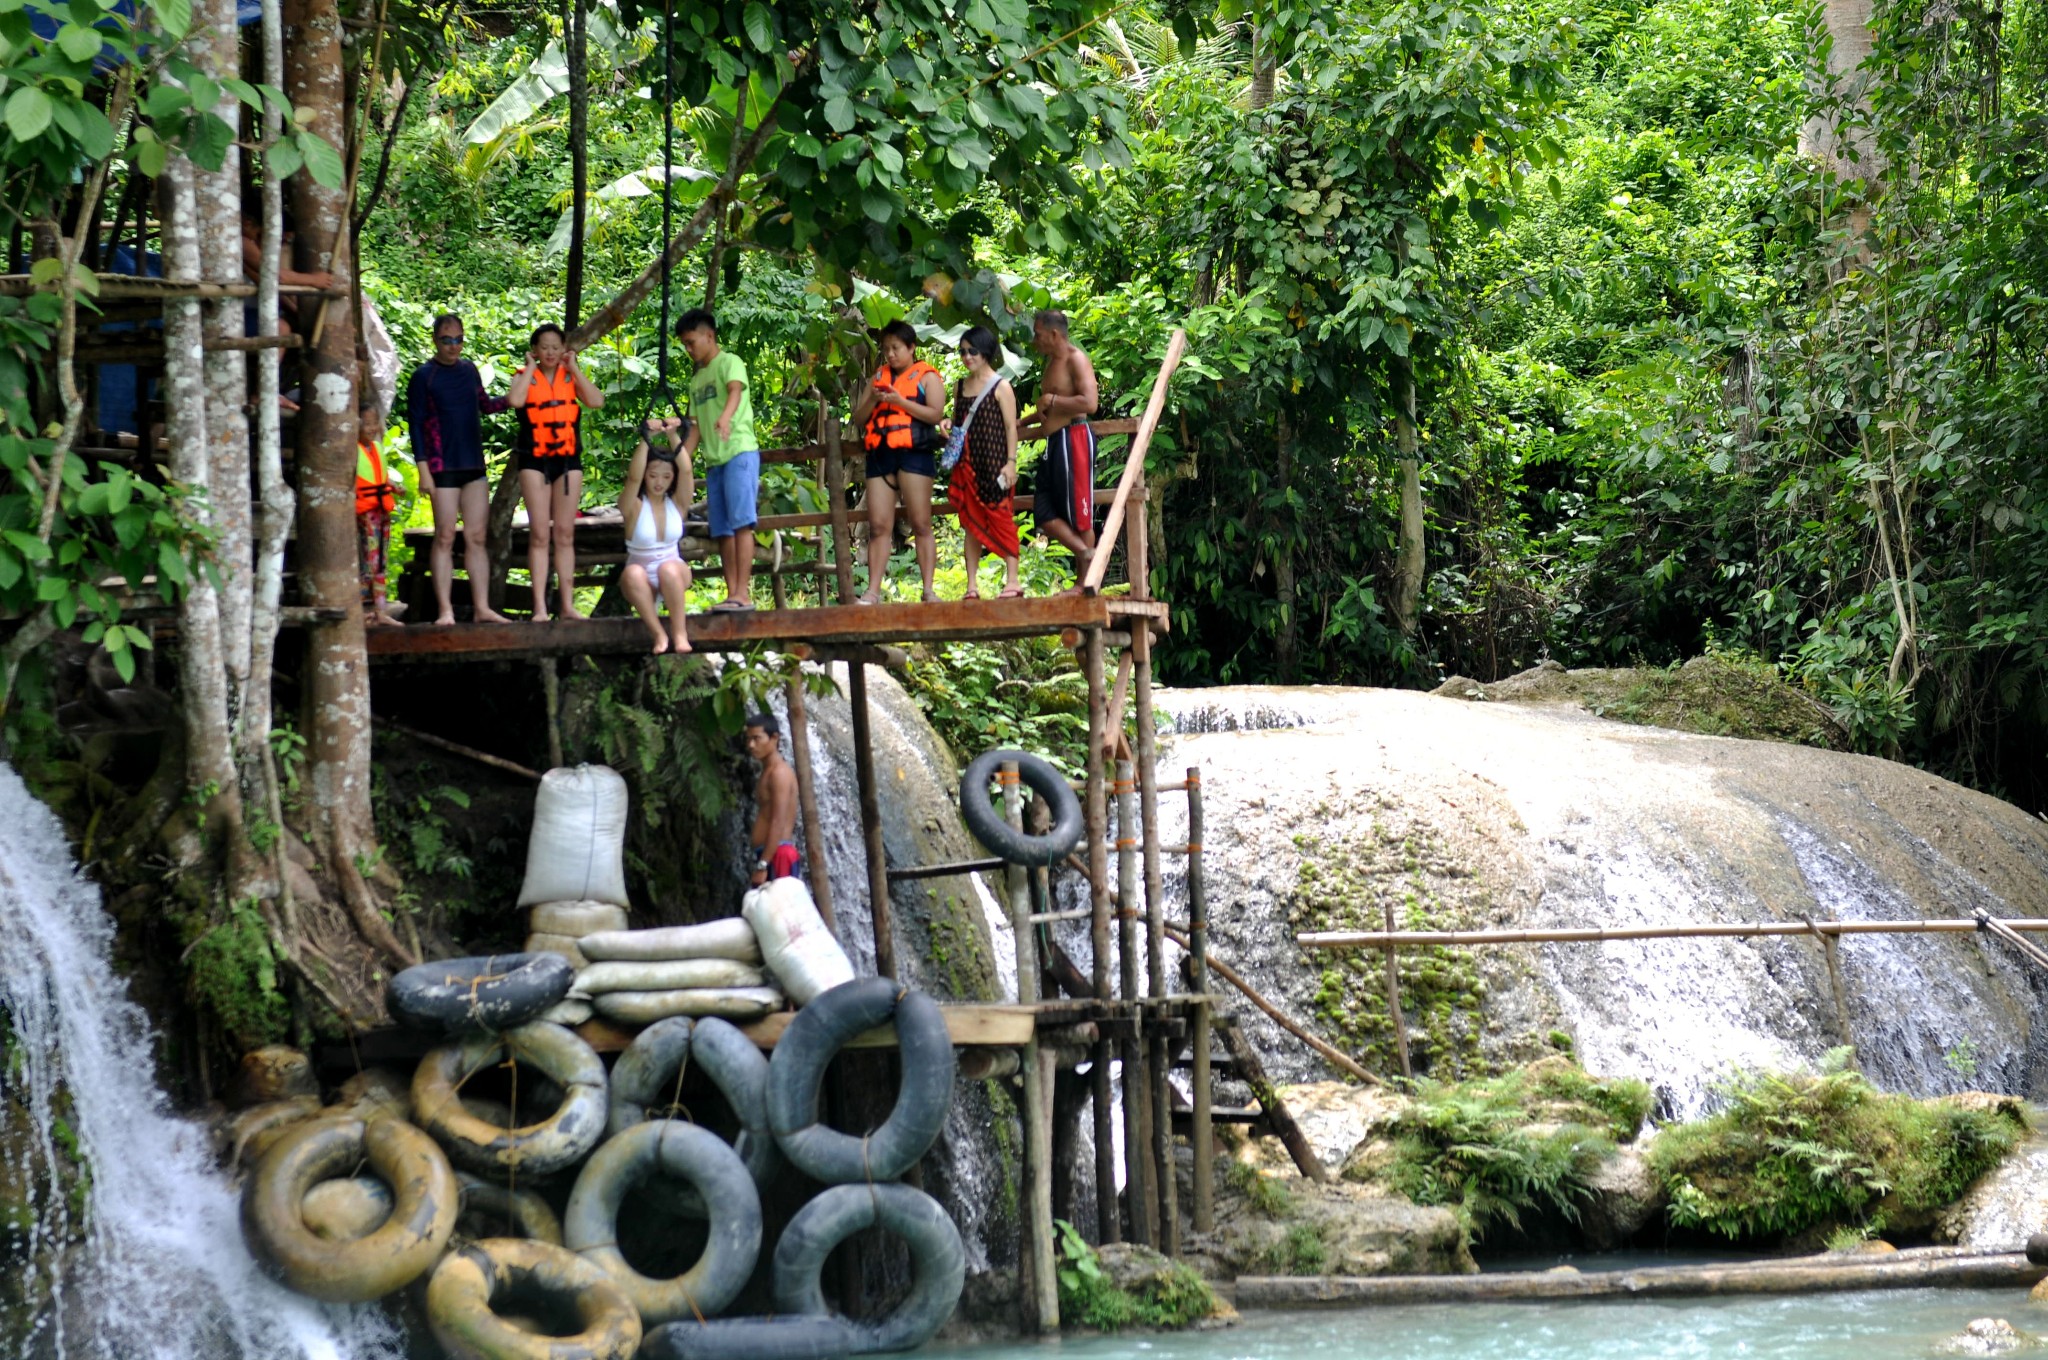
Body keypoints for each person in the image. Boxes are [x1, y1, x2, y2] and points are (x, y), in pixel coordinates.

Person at [407, 312, 512, 624]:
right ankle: (445, 611)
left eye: (458, 340)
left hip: (472, 463)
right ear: (435, 341)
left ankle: (482, 608)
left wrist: (514, 396)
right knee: (445, 536)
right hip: (442, 465)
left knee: (477, 536)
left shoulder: (469, 370)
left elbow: (486, 404)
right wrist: (424, 469)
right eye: (446, 340)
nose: (453, 346)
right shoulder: (424, 376)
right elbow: (415, 425)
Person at [509, 323, 604, 622]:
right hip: (534, 460)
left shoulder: (568, 376)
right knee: (540, 534)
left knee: (564, 533)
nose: (550, 352)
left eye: (555, 347)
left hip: (566, 461)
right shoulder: (523, 377)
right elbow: (515, 401)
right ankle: (539, 607)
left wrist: (574, 369)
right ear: (535, 351)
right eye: (544, 347)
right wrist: (527, 368)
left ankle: (567, 606)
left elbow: (596, 401)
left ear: (563, 349)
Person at [850, 319, 945, 605]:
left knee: (920, 522)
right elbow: (859, 418)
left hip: (914, 454)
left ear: (911, 347)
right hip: (881, 456)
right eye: (886, 349)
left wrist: (899, 401)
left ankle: (928, 590)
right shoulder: (878, 377)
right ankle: (872, 592)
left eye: (896, 348)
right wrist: (875, 399)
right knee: (879, 526)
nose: (891, 354)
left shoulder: (927, 376)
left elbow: (935, 415)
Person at [675, 309, 760, 612]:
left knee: (741, 524)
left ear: (709, 336)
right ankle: (732, 594)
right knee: (722, 529)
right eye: (684, 344)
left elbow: (735, 392)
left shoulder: (730, 362)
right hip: (714, 462)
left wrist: (725, 418)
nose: (688, 349)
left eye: (691, 341)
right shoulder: (696, 381)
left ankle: (743, 593)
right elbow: (695, 429)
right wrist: (678, 462)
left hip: (739, 452)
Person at [1018, 309, 1101, 586]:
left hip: (1073, 439)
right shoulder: (1051, 362)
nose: (1034, 341)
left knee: (1080, 516)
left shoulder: (1076, 360)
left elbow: (1089, 404)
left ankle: (1084, 585)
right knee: (1043, 511)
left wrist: (1051, 400)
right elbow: (1048, 407)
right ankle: (1087, 554)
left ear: (1054, 334)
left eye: (1038, 335)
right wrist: (1022, 423)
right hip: (1054, 443)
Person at [946, 326, 1022, 600]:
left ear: (986, 352)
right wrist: (946, 425)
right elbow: (957, 424)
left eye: (972, 351)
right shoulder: (959, 386)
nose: (967, 357)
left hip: (996, 465)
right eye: (963, 351)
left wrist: (1011, 462)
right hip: (968, 466)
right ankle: (971, 586)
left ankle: (1013, 581)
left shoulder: (1002, 386)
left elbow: (1011, 428)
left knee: (1002, 518)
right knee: (970, 523)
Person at [619, 417, 694, 656]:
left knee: (669, 569)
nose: (659, 482)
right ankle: (659, 634)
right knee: (631, 572)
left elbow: (687, 469)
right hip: (641, 580)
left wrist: (673, 435)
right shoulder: (633, 507)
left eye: (666, 477)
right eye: (653, 476)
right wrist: (646, 438)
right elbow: (632, 478)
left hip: (673, 574)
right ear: (645, 476)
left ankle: (680, 634)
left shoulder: (677, 505)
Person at [355, 399, 403, 627]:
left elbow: (380, 477)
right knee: (368, 564)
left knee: (381, 563)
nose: (372, 429)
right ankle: (365, 611)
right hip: (365, 514)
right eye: (366, 424)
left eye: (375, 424)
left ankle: (380, 612)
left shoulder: (375, 448)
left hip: (381, 511)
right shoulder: (350, 450)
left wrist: (394, 486)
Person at [744, 712, 799, 886]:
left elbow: (778, 820)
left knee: (781, 912)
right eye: (748, 739)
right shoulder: (768, 772)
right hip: (771, 854)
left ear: (774, 738)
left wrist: (763, 864)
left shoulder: (779, 773)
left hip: (778, 855)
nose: (751, 745)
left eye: (757, 738)